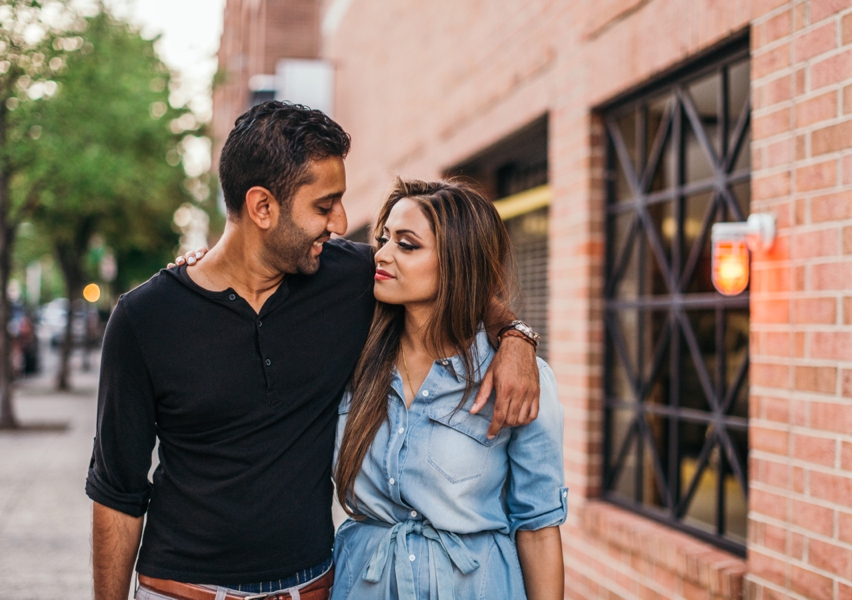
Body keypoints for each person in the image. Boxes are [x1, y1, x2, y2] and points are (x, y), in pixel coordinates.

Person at [86, 101, 542, 600]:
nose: (340, 221)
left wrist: (516, 336)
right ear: (262, 207)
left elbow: (455, 279)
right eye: (325, 206)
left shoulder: (351, 277)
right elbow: (117, 493)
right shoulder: (144, 318)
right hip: (180, 591)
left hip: (310, 590)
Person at [331, 179, 566, 600]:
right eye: (384, 239)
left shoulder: (514, 378)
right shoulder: (350, 355)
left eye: (407, 245)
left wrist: (517, 337)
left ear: (458, 263)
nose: (381, 254)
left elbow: (538, 528)